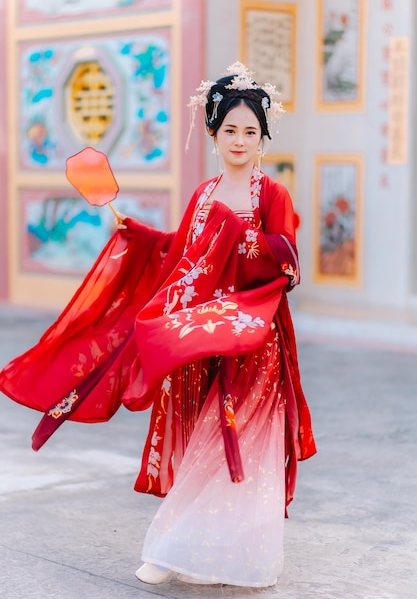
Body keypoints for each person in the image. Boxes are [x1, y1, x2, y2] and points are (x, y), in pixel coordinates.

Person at [0, 61, 316, 588]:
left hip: (251, 340)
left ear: (264, 138)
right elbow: (183, 255)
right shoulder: (202, 194)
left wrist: (237, 235)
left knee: (236, 442)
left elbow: (287, 261)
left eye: (251, 132)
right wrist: (143, 237)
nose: (240, 140)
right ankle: (187, 551)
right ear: (213, 134)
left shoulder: (273, 195)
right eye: (230, 130)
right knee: (199, 441)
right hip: (195, 336)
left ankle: (210, 554)